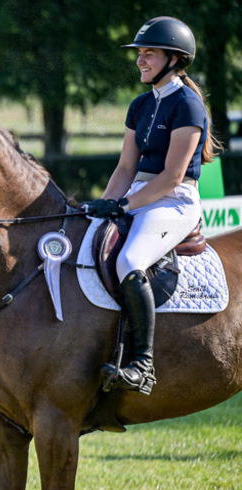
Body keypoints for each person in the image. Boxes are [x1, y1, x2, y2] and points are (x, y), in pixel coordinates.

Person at [83, 16, 219, 395]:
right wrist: (104, 205)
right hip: (140, 194)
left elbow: (172, 176)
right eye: (139, 53)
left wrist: (124, 205)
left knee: (129, 260)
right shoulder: (141, 105)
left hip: (174, 201)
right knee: (85, 240)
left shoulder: (188, 105)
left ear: (174, 59)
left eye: (149, 54)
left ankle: (143, 365)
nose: (140, 60)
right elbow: (126, 168)